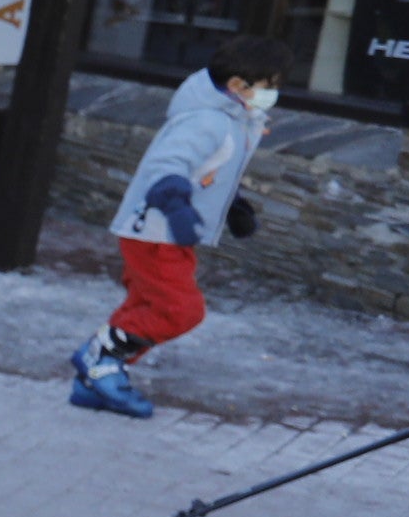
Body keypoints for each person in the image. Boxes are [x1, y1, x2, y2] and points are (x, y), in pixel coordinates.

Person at [72, 37, 282, 422]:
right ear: (238, 86)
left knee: (145, 305)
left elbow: (209, 171)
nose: (273, 94)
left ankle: (94, 381)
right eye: (268, 85)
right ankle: (99, 357)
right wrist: (176, 209)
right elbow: (168, 166)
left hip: (161, 231)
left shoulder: (233, 119)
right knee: (181, 310)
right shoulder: (209, 120)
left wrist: (232, 205)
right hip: (155, 230)